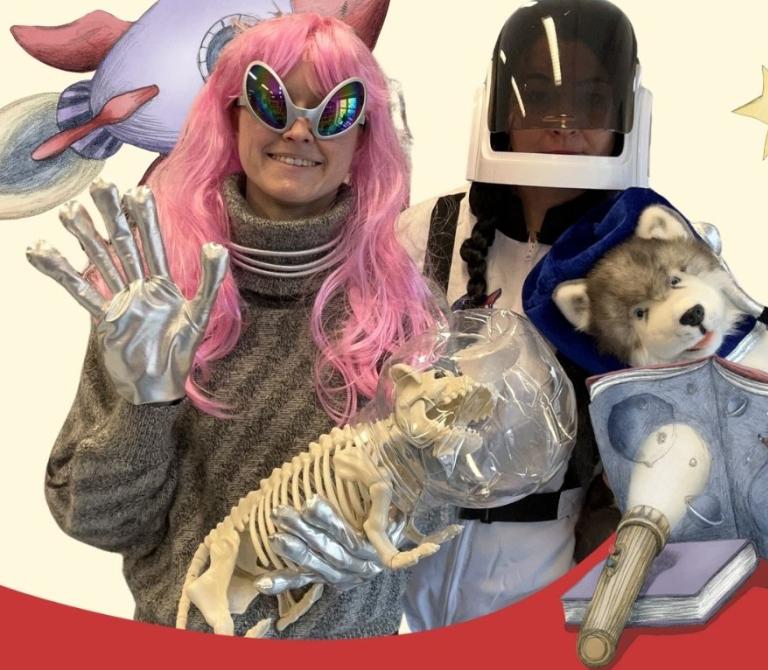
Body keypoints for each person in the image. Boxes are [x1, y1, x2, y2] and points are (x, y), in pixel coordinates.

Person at [26, 13, 441, 638]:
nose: (299, 129)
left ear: (364, 138)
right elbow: (97, 520)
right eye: (272, 100)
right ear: (232, 115)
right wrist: (145, 405)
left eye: (335, 111)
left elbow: (438, 507)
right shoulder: (159, 293)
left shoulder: (400, 303)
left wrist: (391, 529)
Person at [395, 0, 650, 630]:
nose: (564, 124)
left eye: (591, 101)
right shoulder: (425, 230)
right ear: (499, 110)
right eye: (538, 97)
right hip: (394, 557)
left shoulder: (647, 257)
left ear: (627, 113)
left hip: (543, 569)